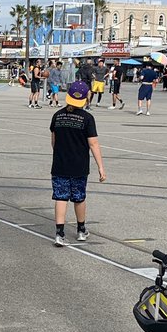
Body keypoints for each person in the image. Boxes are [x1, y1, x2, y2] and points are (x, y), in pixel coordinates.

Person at [49, 80, 106, 248]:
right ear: (85, 98)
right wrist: (101, 167)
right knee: (79, 197)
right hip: (79, 165)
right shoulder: (87, 118)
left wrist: (60, 153)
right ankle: (81, 230)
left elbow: (54, 141)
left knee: (60, 197)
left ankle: (59, 233)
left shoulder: (57, 115)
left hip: (60, 164)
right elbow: (93, 144)